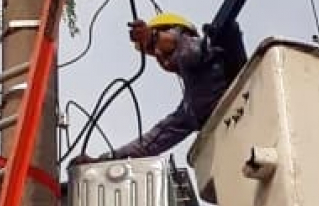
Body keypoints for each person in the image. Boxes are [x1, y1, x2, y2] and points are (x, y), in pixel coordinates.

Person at [75, 12, 246, 164]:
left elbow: (189, 49)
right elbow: (152, 141)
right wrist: (104, 160)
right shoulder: (191, 109)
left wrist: (153, 37)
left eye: (154, 48)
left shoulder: (210, 51)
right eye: (151, 52)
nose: (157, 55)